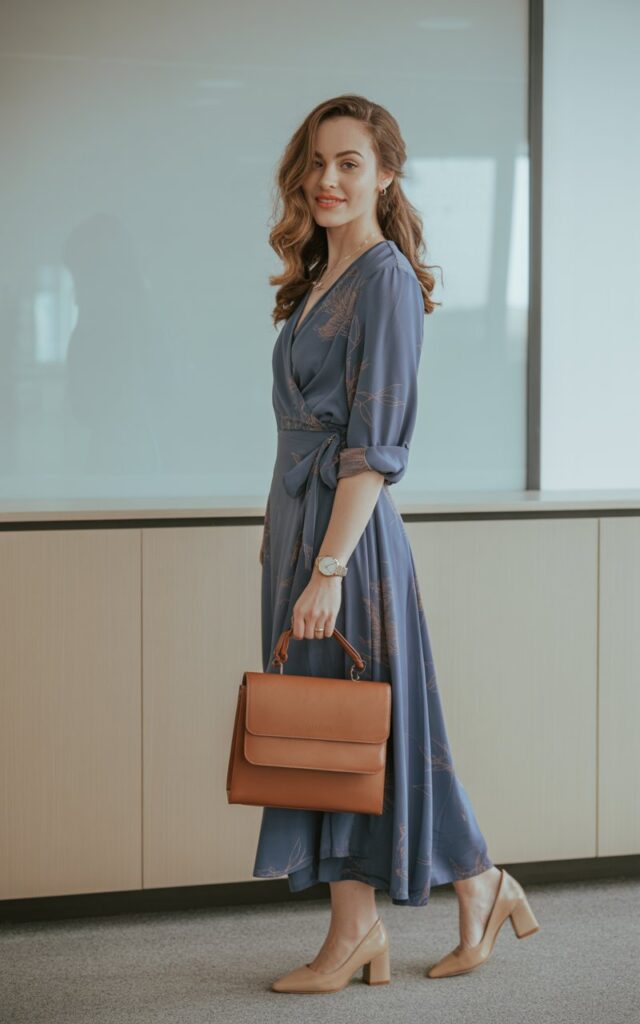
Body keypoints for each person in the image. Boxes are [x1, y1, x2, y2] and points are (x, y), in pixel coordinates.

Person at [253, 94, 539, 994]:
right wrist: (282, 537)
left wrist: (329, 567)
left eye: (349, 162)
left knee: (361, 732)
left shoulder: (384, 279)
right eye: (317, 162)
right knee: (335, 734)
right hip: (303, 529)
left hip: (348, 544)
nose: (328, 179)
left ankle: (376, 923)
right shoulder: (318, 278)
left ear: (385, 175)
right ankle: (455, 894)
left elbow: (374, 448)